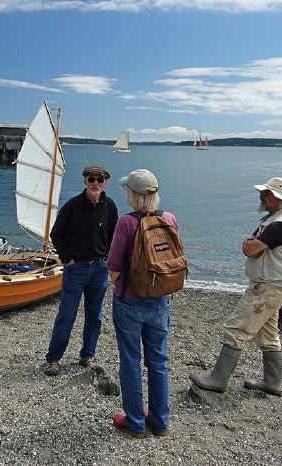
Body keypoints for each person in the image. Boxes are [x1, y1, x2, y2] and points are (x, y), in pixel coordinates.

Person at [190, 177, 282, 397]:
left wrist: (251, 243)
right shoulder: (277, 220)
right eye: (264, 193)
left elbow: (249, 249)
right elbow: (252, 247)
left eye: (267, 194)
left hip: (267, 287)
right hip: (272, 286)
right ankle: (272, 382)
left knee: (236, 329)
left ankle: (217, 379)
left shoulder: (281, 224)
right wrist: (253, 244)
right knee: (269, 334)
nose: (262, 196)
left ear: (281, 199)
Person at [106, 169, 178, 439]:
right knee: (158, 363)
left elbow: (112, 268)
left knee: (130, 361)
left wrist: (127, 284)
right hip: (160, 301)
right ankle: (160, 423)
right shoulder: (168, 218)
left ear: (132, 195)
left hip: (129, 302)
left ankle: (135, 423)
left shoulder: (126, 223)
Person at [44, 164, 119, 376]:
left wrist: (110, 260)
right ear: (85, 180)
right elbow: (56, 234)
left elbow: (115, 237)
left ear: (105, 183)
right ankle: (53, 359)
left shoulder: (110, 206)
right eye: (91, 179)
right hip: (75, 269)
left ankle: (87, 355)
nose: (95, 183)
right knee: (67, 314)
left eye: (100, 180)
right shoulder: (72, 206)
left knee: (94, 315)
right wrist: (67, 259)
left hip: (99, 269)